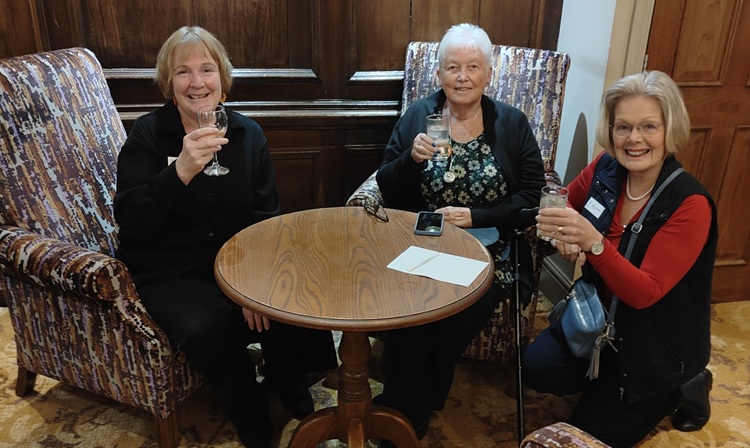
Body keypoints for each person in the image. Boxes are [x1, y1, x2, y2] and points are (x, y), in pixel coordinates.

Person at [113, 26, 337, 448]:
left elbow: (265, 215)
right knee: (208, 324)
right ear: (169, 83)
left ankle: (286, 377)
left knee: (289, 293)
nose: (196, 82)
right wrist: (179, 172)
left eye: (207, 69)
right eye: (183, 72)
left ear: (222, 79)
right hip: (169, 268)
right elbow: (130, 219)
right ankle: (243, 395)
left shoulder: (247, 134)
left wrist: (253, 283)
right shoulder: (147, 134)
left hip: (236, 258)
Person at [524, 70, 717, 447]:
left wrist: (594, 244)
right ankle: (607, 379)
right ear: (611, 130)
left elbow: (645, 293)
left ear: (670, 129)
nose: (634, 139)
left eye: (649, 126)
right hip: (598, 320)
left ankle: (683, 383)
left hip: (653, 344)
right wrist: (564, 231)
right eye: (623, 127)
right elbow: (564, 202)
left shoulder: (690, 204)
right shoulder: (605, 167)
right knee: (538, 369)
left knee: (586, 436)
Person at [375, 23, 545, 441]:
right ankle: (409, 408)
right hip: (422, 245)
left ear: (488, 74)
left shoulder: (511, 124)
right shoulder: (419, 116)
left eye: (473, 67)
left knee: (445, 318)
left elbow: (531, 197)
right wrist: (410, 160)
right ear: (439, 74)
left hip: (489, 253)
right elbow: (385, 184)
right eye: (453, 67)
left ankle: (407, 408)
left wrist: (477, 216)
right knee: (410, 314)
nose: (462, 77)